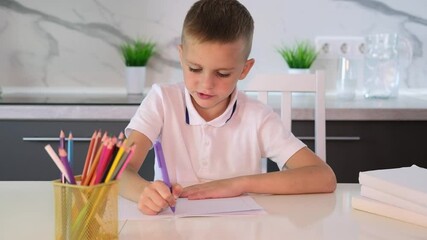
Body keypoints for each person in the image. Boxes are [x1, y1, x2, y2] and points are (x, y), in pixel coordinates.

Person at [119, 0, 336, 215]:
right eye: (194, 68)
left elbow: (323, 177)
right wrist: (143, 192)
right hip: (173, 228)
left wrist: (237, 184)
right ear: (181, 56)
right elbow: (119, 172)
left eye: (222, 74)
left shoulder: (257, 117)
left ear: (245, 69)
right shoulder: (162, 100)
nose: (206, 84)